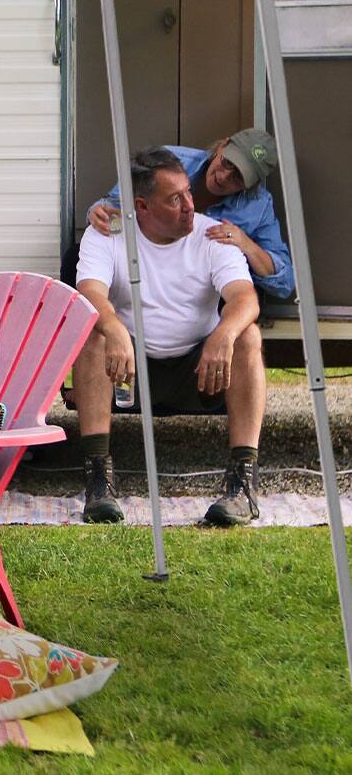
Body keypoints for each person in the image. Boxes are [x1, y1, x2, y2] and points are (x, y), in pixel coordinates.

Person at [71, 146, 263, 527]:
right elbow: (89, 293)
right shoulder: (108, 234)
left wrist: (224, 332)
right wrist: (113, 328)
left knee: (248, 336)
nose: (190, 205)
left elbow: (245, 298)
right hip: (126, 371)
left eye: (188, 193)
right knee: (93, 332)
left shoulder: (211, 235)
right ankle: (98, 481)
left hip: (200, 370)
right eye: (175, 199)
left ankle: (243, 483)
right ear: (142, 207)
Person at [81, 128, 291, 299]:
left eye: (238, 177)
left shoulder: (259, 205)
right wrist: (98, 213)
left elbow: (284, 282)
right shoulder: (170, 161)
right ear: (222, 146)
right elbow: (115, 204)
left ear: (250, 185)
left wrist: (246, 244)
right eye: (228, 163)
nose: (225, 176)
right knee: (77, 257)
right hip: (146, 266)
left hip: (200, 286)